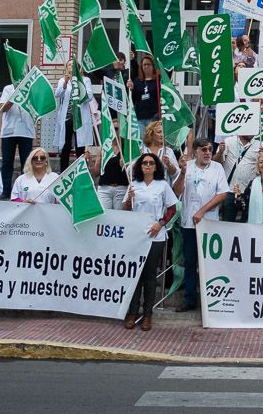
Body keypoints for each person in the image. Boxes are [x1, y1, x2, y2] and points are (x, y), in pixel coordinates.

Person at [123, 153, 178, 331]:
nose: (147, 165)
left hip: (156, 235)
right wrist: (129, 199)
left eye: (151, 163)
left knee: (149, 275)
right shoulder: (134, 185)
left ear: (156, 166)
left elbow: (172, 208)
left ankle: (147, 314)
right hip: (136, 236)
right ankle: (132, 312)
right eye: (144, 163)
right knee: (135, 275)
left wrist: (160, 224)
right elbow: (126, 208)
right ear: (140, 166)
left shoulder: (162, 185)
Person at [173, 138, 230, 312]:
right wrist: (182, 173)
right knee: (190, 261)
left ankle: (210, 300)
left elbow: (223, 194)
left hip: (209, 223)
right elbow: (176, 192)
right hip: (189, 223)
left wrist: (202, 211)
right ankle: (190, 299)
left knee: (209, 262)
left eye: (210, 149)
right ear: (196, 151)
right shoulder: (187, 166)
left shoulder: (217, 168)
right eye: (204, 149)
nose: (207, 153)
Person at [54, 60, 99, 171]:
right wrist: (65, 83)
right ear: (66, 68)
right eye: (69, 65)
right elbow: (58, 94)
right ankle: (63, 171)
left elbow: (89, 96)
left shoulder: (85, 80)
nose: (71, 66)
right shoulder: (62, 80)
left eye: (73, 65)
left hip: (80, 118)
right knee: (66, 145)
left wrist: (78, 84)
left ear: (78, 68)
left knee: (80, 145)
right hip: (67, 118)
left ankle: (81, 171)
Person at [0, 77, 36, 198]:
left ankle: (26, 191)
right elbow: (3, 108)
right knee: (7, 162)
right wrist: (15, 96)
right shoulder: (8, 88)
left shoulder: (32, 89)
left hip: (26, 131)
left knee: (27, 163)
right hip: (9, 131)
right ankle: (6, 191)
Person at [96, 137, 130, 210]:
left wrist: (126, 166)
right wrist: (90, 162)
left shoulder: (128, 147)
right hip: (104, 189)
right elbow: (96, 173)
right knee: (105, 214)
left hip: (121, 188)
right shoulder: (104, 147)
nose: (115, 131)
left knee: (119, 215)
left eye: (117, 130)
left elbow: (133, 174)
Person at [130, 54, 160, 132]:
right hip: (140, 117)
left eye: (148, 64)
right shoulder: (137, 81)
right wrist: (130, 89)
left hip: (154, 116)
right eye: (144, 65)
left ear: (153, 66)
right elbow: (133, 98)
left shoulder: (158, 80)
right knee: (141, 138)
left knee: (152, 138)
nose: (146, 66)